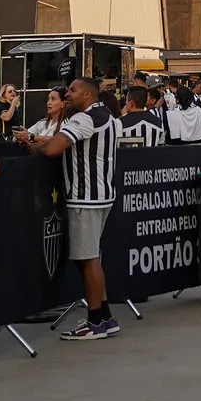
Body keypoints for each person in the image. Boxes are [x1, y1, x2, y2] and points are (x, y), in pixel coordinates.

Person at [28, 78, 123, 341]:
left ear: (88, 95)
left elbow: (56, 147)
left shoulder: (83, 119)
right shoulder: (110, 117)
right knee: (93, 258)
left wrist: (38, 146)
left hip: (85, 198)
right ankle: (105, 316)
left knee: (88, 259)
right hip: (102, 195)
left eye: (72, 90)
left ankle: (95, 322)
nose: (67, 94)